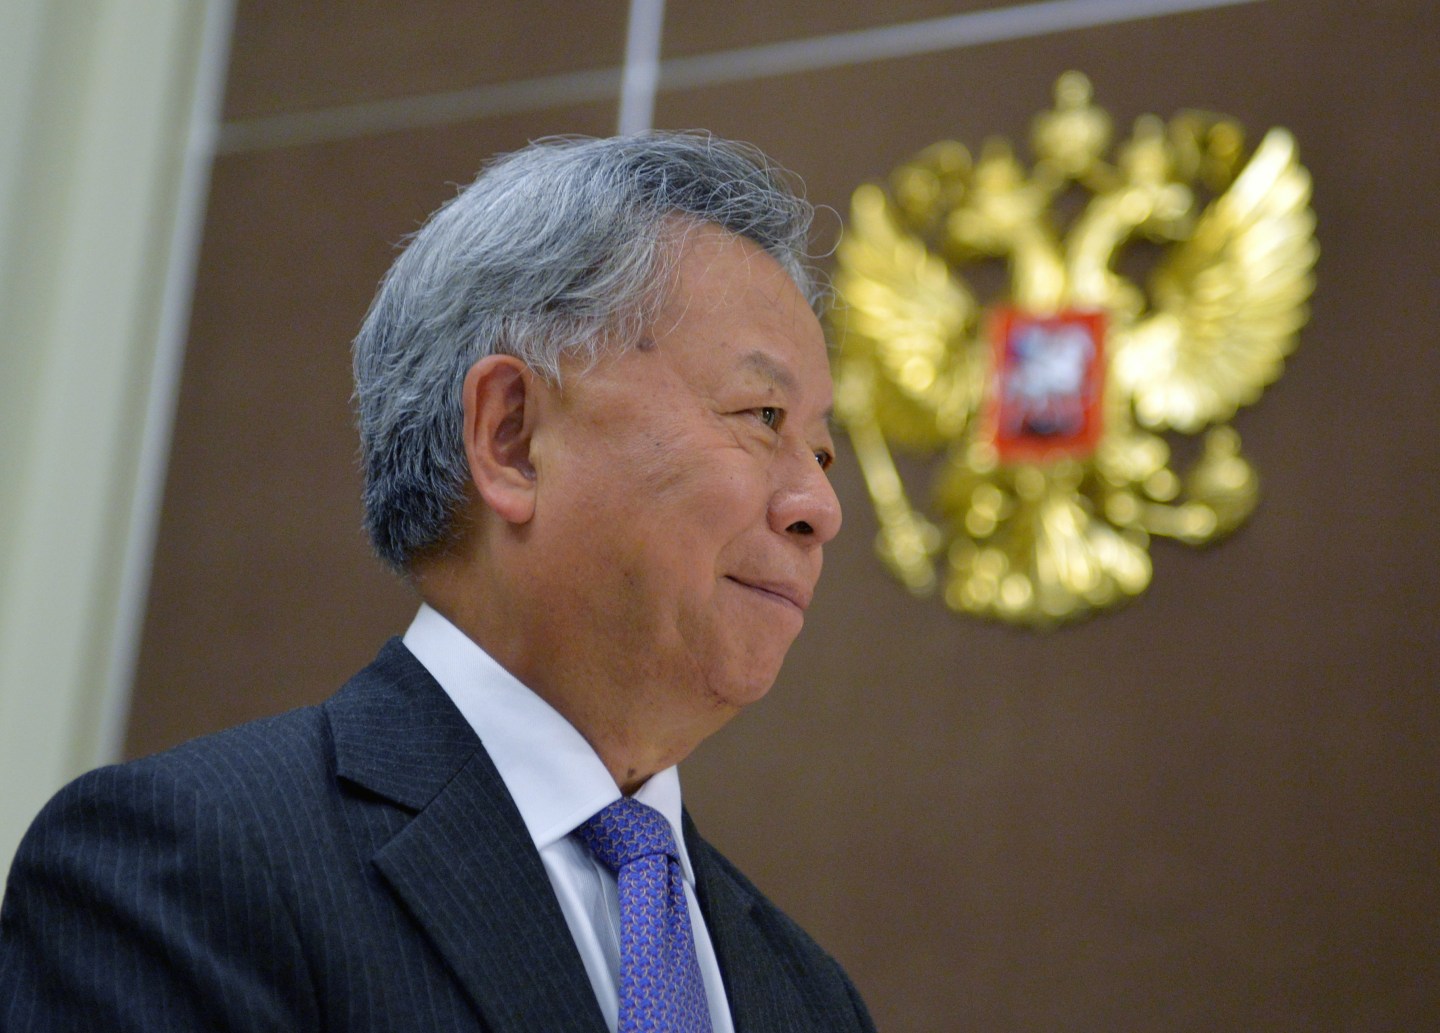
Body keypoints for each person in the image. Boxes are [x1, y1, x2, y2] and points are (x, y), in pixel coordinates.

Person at [0, 132, 875, 1032]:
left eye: (821, 451)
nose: (820, 505)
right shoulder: (183, 865)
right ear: (512, 437)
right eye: (762, 415)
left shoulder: (813, 998)